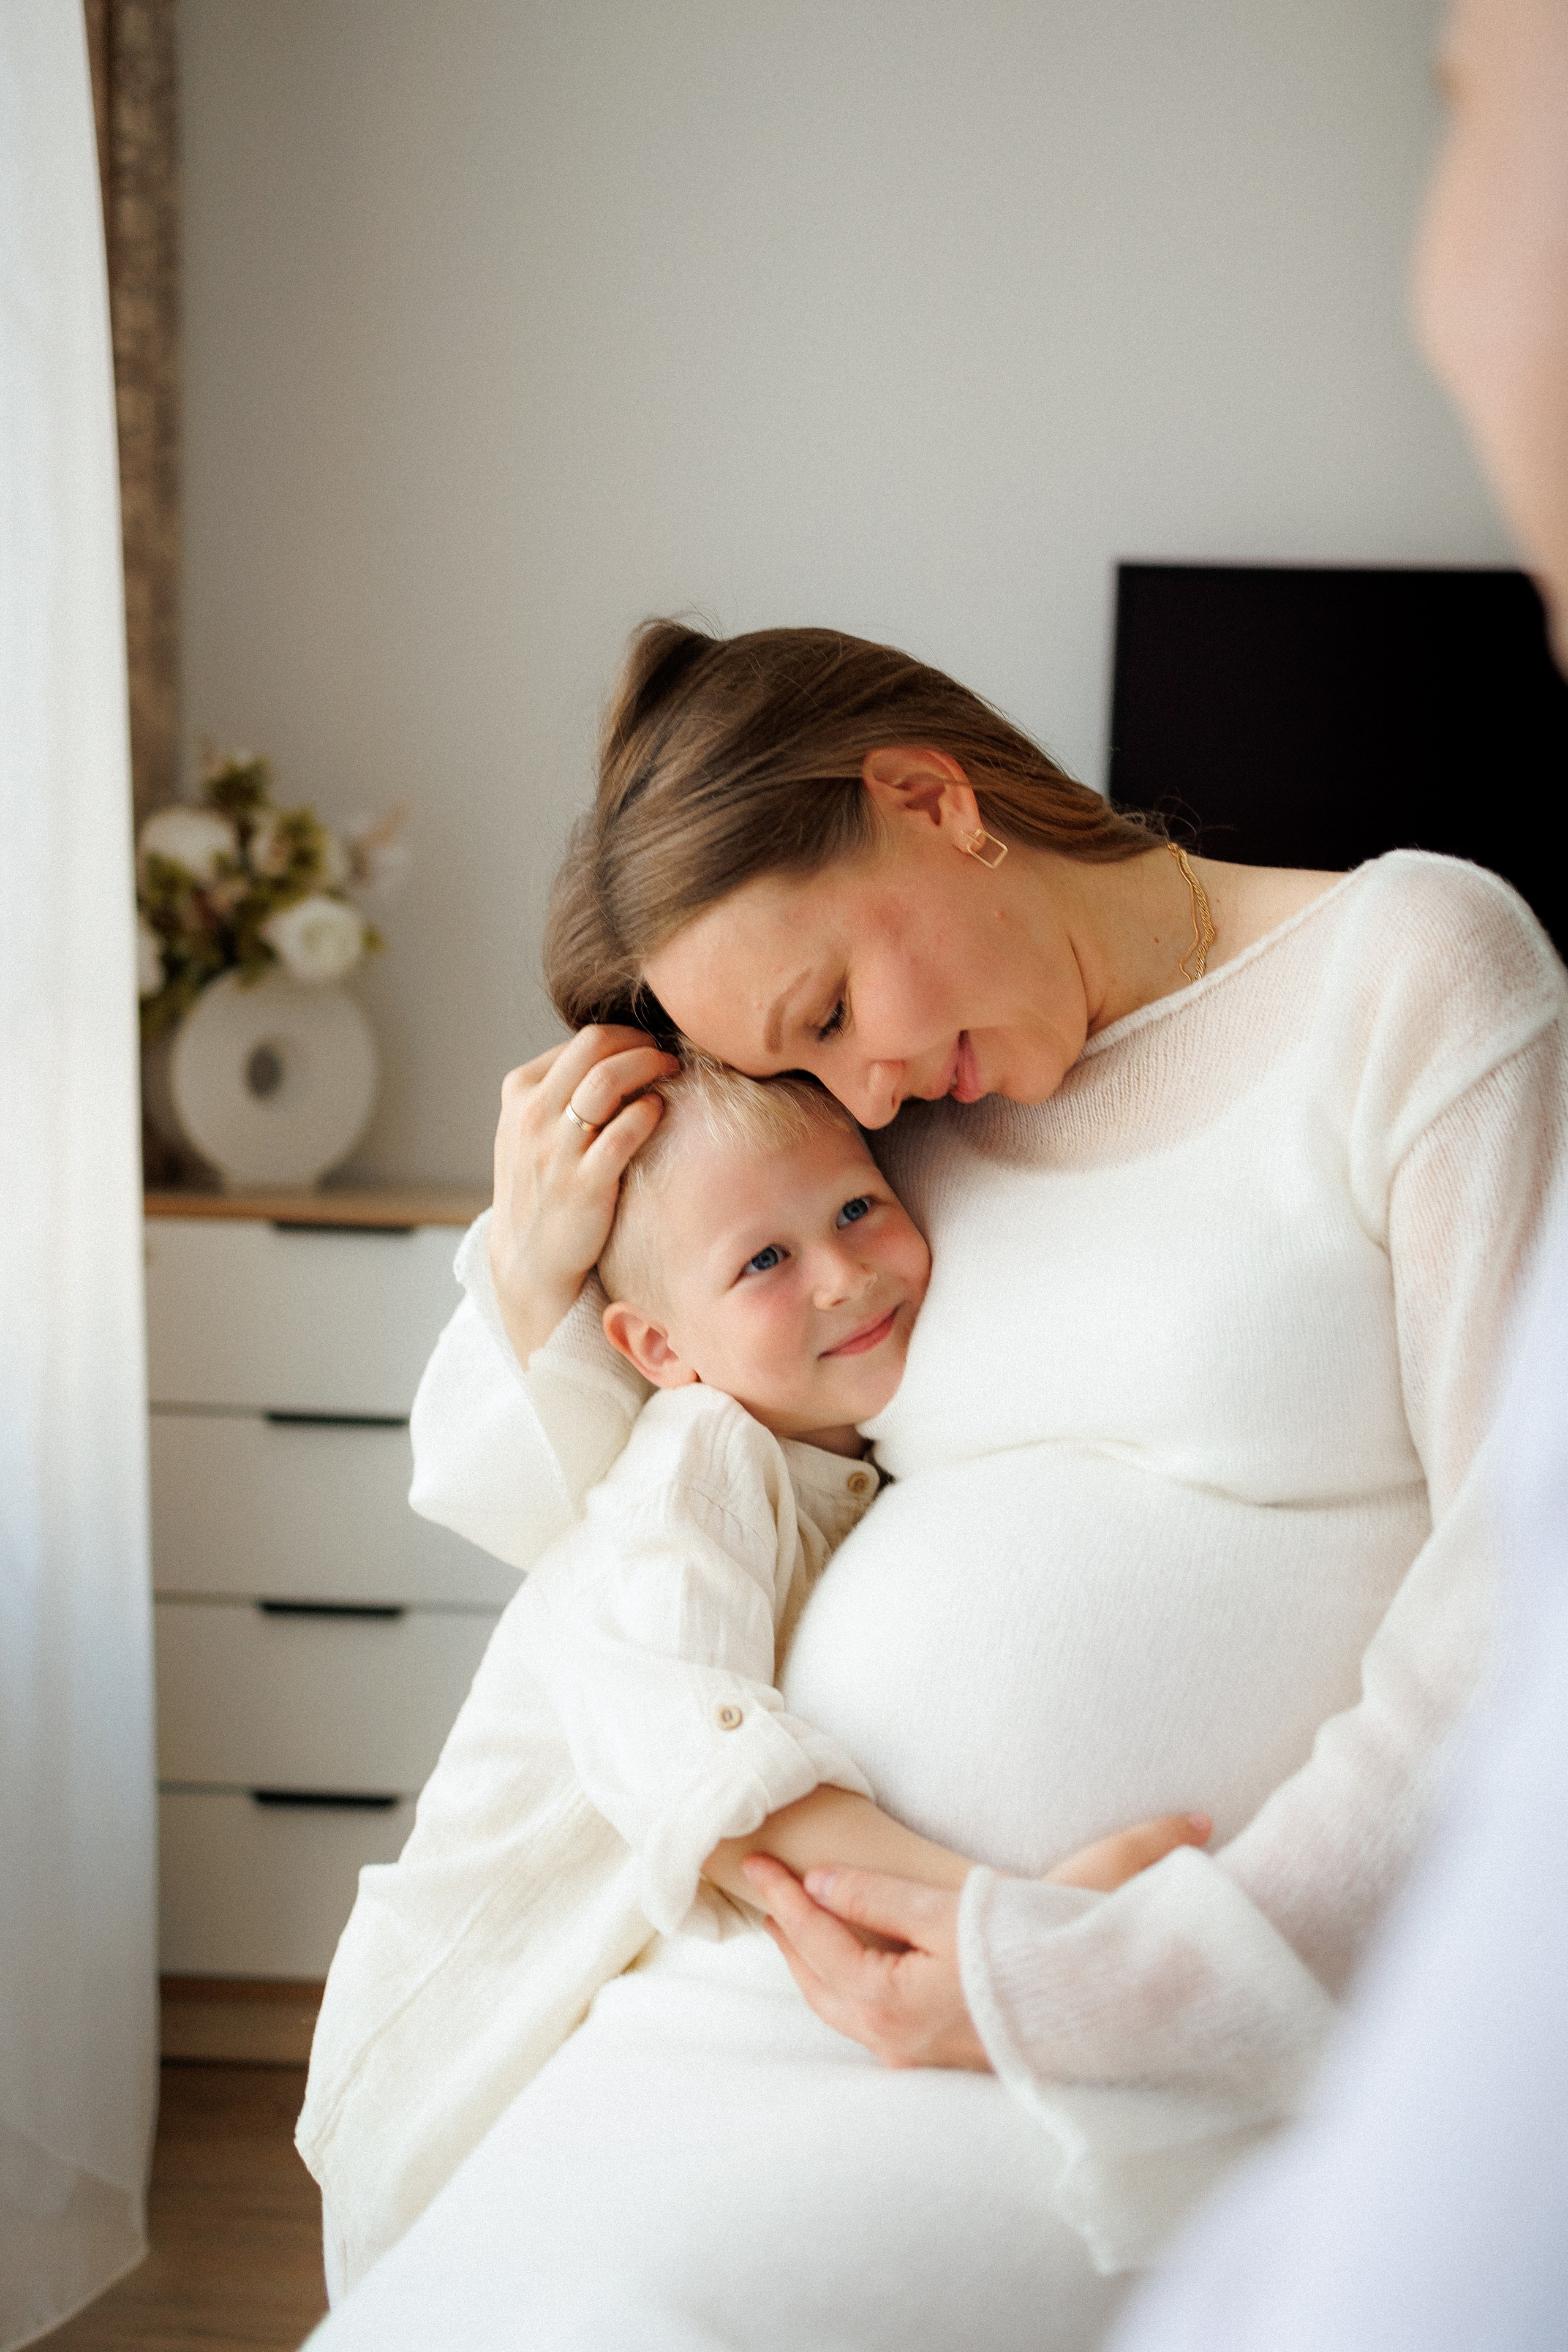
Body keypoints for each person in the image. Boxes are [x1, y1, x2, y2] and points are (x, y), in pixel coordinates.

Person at [304, 588, 1567, 2352]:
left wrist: (1127, 1982)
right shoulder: (899, 1132)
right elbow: (604, 1505)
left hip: (1115, 2033)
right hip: (766, 1966)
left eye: (832, 1002)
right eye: (794, 1056)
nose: (860, 1089)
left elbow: (1526, 1618)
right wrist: (529, 1263)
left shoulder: (1415, 974)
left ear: (934, 799)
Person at [301, 1057, 1206, 2299]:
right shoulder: (701, 1460)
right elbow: (708, 1771)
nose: (842, 1275)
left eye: (851, 1210)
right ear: (657, 1347)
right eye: (762, 1263)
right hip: (459, 2027)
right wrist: (1020, 1921)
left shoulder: (836, 1444)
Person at [1095, 1, 1568, 2342]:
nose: (1429, 275)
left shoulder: (1427, 961)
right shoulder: (946, 1124)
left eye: (1468, 101)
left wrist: (1172, 1958)